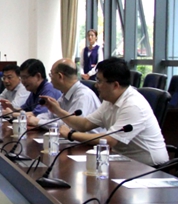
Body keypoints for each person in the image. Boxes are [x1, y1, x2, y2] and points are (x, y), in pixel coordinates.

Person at [40, 57, 169, 166]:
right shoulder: (110, 100)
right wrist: (58, 111)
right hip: (122, 161)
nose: (96, 85)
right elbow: (85, 124)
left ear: (115, 85)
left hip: (150, 168)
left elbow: (109, 140)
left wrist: (71, 135)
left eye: (99, 81)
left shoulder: (133, 105)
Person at [27, 58, 101, 130]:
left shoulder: (83, 96)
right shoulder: (65, 94)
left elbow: (69, 126)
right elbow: (52, 115)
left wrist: (38, 122)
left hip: (88, 138)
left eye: (51, 75)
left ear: (60, 76)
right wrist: (33, 119)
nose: (50, 79)